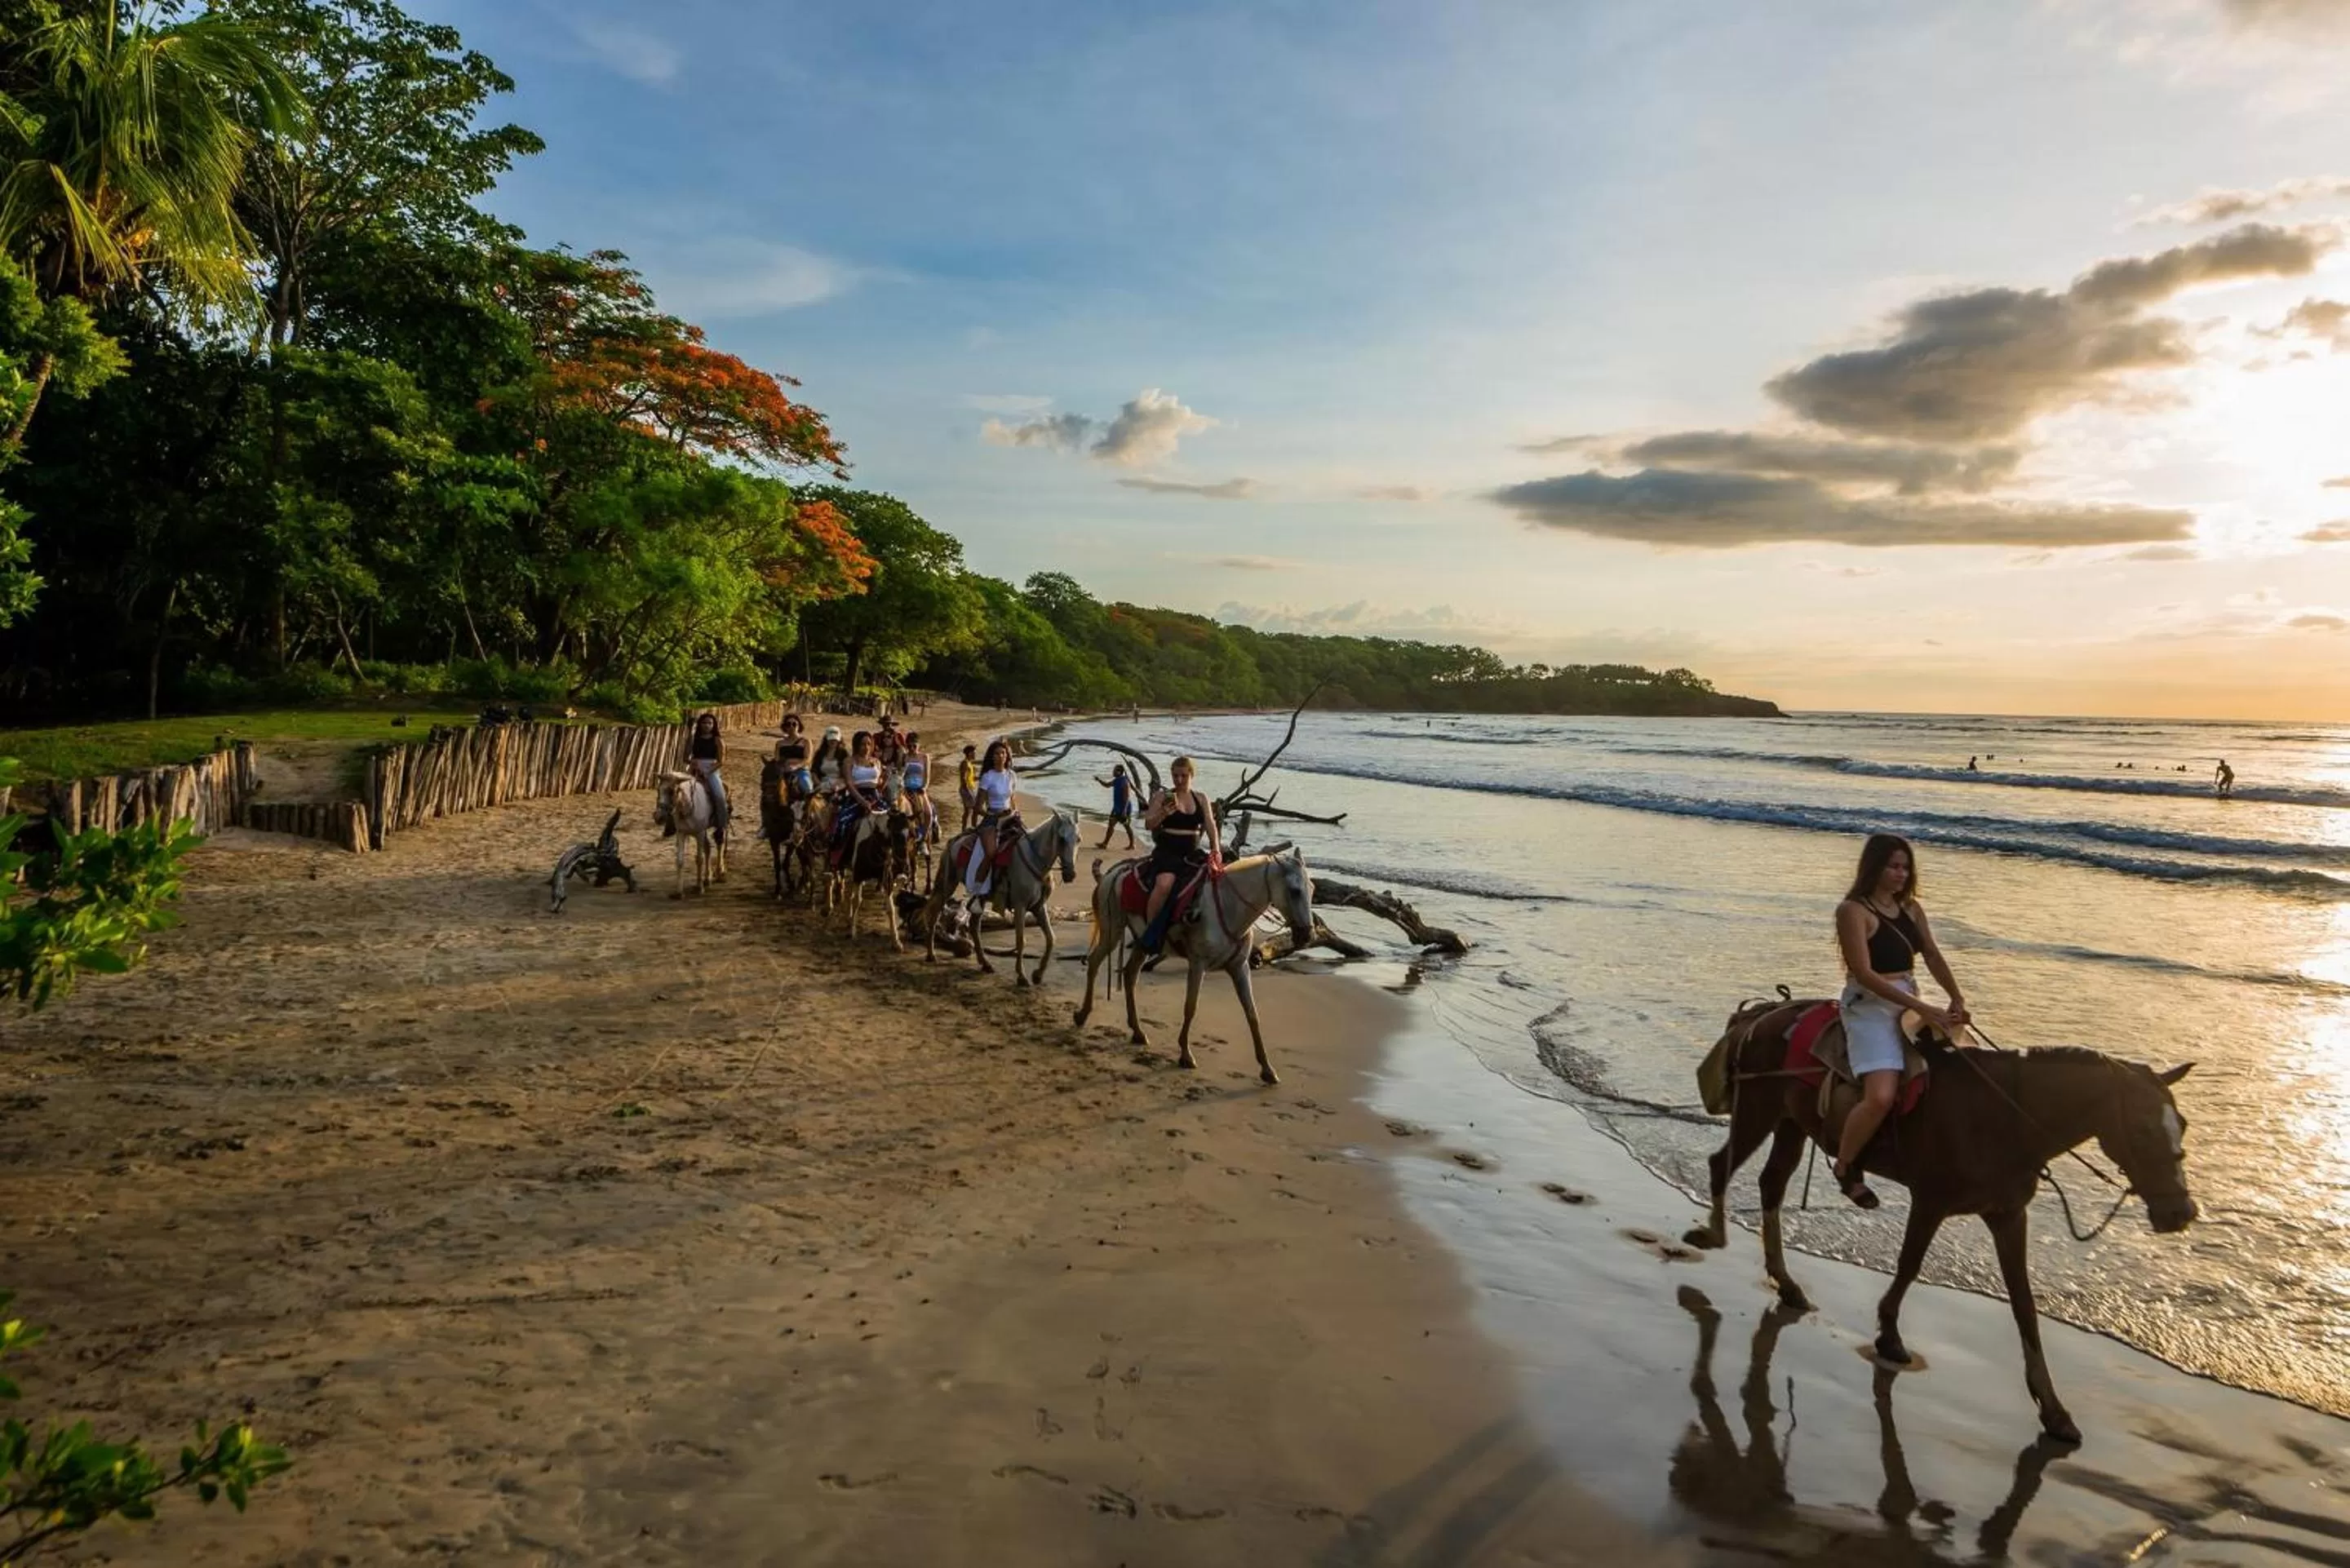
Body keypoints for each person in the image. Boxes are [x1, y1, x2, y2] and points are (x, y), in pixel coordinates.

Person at [1830, 834, 1968, 1209]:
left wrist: (1955, 997)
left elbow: (1933, 956)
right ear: (1874, 866)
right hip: (1869, 1005)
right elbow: (1863, 972)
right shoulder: (1853, 911)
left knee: (1958, 1070)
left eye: (1906, 867)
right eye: (1893, 866)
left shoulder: (1912, 908)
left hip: (1909, 998)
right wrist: (1922, 1008)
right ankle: (1845, 1166)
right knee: (1881, 1095)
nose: (1901, 874)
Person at [1138, 755, 1218, 953]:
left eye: (1183, 776)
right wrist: (1164, 813)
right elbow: (1149, 824)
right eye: (1175, 776)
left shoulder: (1201, 798)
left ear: (1192, 775)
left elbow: (1210, 824)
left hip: (1193, 854)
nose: (1179, 780)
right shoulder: (1161, 796)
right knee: (1164, 883)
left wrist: (1216, 849)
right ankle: (1151, 933)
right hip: (1167, 853)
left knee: (1216, 882)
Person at [965, 740, 1018, 901]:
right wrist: (995, 816)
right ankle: (976, 889)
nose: (1000, 756)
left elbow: (1013, 799)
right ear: (992, 757)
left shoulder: (1011, 775)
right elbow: (978, 807)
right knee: (991, 853)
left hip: (1010, 818)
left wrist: (1016, 813)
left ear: (1007, 755)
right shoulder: (988, 777)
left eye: (1003, 753)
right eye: (997, 753)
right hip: (991, 819)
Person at [831, 730, 888, 857]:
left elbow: (879, 785)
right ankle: (836, 860)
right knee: (842, 824)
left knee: (894, 822)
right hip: (856, 796)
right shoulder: (849, 761)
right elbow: (850, 784)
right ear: (856, 745)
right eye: (863, 744)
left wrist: (886, 780)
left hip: (875, 797)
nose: (866, 748)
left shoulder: (876, 762)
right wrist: (862, 801)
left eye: (869, 744)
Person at [685, 711, 729, 835]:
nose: (706, 725)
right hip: (694, 768)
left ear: (714, 725)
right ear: (700, 724)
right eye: (704, 723)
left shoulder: (718, 740)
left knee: (719, 796)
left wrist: (707, 771)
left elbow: (721, 761)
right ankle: (672, 822)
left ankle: (721, 825)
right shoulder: (694, 739)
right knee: (678, 790)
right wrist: (692, 762)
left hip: (711, 769)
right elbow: (685, 756)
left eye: (709, 723)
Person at [899, 732, 937, 844]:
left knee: (928, 814)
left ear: (918, 745)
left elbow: (927, 776)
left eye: (914, 746)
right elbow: (900, 775)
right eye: (909, 746)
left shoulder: (925, 757)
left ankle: (923, 839)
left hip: (919, 789)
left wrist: (924, 787)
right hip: (906, 789)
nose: (911, 748)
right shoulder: (904, 757)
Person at [1096, 763, 1137, 849]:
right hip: (1116, 808)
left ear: (1119, 772)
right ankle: (1105, 844)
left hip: (1124, 808)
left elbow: (1127, 797)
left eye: (1114, 770)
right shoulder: (1116, 780)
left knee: (1127, 826)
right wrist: (1099, 780)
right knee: (1111, 825)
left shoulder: (1124, 782)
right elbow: (1107, 785)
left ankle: (1132, 845)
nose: (1113, 772)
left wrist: (1124, 811)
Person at [776, 714, 813, 800]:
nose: (791, 727)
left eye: (794, 724)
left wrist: (796, 766)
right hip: (783, 770)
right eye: (788, 724)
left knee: (807, 786)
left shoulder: (806, 742)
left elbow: (807, 759)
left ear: (799, 726)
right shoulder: (780, 743)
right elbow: (777, 759)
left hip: (801, 770)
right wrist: (782, 767)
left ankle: (810, 811)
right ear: (785, 727)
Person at [812, 725, 848, 794]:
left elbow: (847, 774)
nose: (833, 742)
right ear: (826, 739)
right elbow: (814, 772)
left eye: (835, 740)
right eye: (831, 739)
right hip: (822, 784)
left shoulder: (844, 754)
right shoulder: (820, 753)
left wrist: (838, 786)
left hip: (839, 785)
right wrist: (819, 784)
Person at [957, 742, 982, 831]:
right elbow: (963, 778)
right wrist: (968, 791)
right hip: (967, 789)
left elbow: (971, 778)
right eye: (974, 752)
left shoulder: (969, 764)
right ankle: (973, 828)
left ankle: (964, 829)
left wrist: (979, 778)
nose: (975, 754)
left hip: (969, 788)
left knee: (967, 811)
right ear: (970, 753)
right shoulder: (965, 763)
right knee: (976, 810)